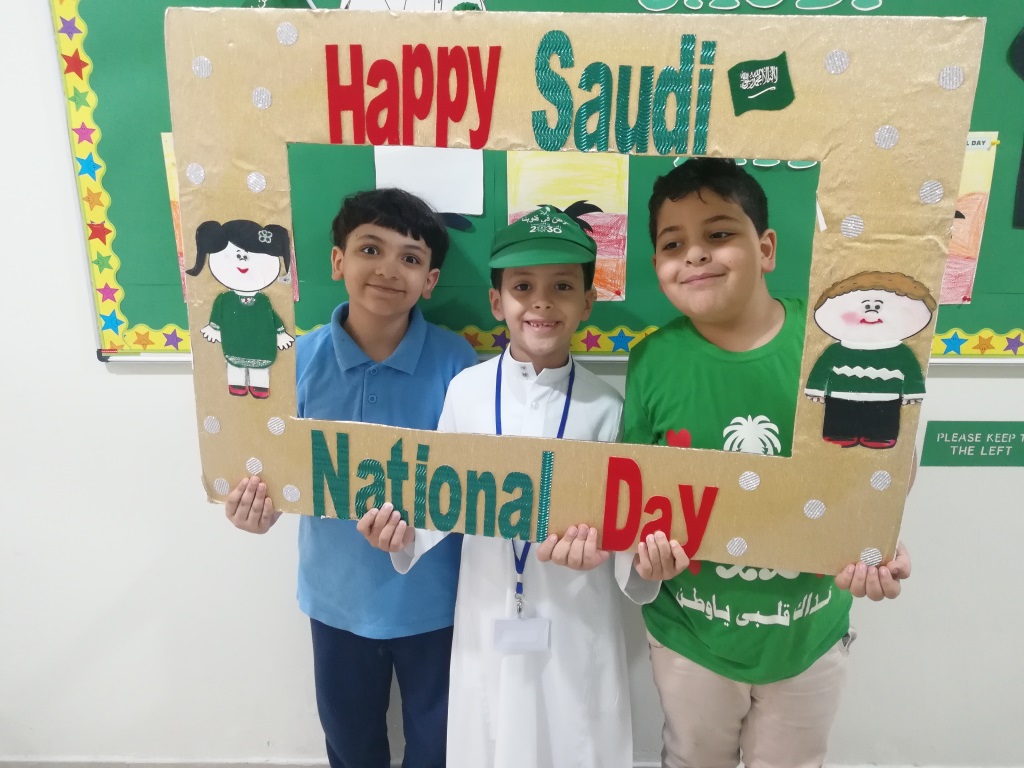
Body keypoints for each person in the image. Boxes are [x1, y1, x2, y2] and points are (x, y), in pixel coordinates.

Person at [358, 205, 689, 768]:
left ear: (587, 302)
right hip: (487, 605)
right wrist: (400, 535)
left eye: (562, 286)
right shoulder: (466, 391)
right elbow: (440, 503)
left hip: (577, 616)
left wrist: (638, 563)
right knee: (489, 740)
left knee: (574, 738)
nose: (541, 302)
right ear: (497, 302)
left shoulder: (608, 407)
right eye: (522, 287)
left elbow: (625, 531)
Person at [626, 158, 913, 768]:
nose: (695, 254)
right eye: (673, 244)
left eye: (719, 233)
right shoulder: (651, 362)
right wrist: (646, 551)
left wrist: (877, 538)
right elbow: (638, 488)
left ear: (766, 248)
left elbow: (881, 465)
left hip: (808, 632)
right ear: (657, 266)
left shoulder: (831, 346)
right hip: (692, 634)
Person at [224, 188, 478, 768]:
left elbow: (474, 482)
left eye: (410, 258)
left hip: (437, 603)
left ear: (431, 281)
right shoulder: (293, 362)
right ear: (338, 260)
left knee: (438, 748)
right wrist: (253, 508)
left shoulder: (457, 364)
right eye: (370, 249)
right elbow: (265, 471)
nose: (388, 269)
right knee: (351, 747)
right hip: (336, 601)